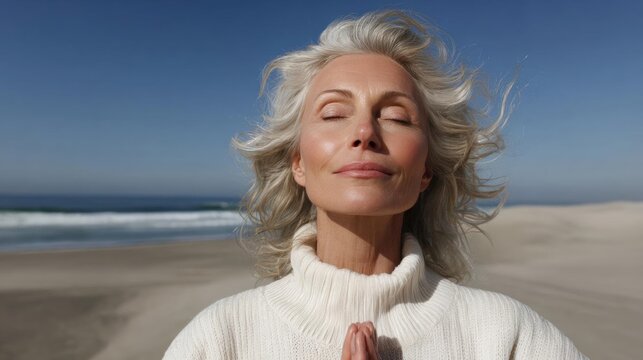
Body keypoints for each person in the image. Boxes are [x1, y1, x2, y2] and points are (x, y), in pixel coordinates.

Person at [164, 10, 587, 359]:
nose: (364, 131)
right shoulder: (220, 339)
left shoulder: (507, 336)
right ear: (298, 163)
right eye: (333, 114)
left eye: (397, 117)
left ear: (426, 169)